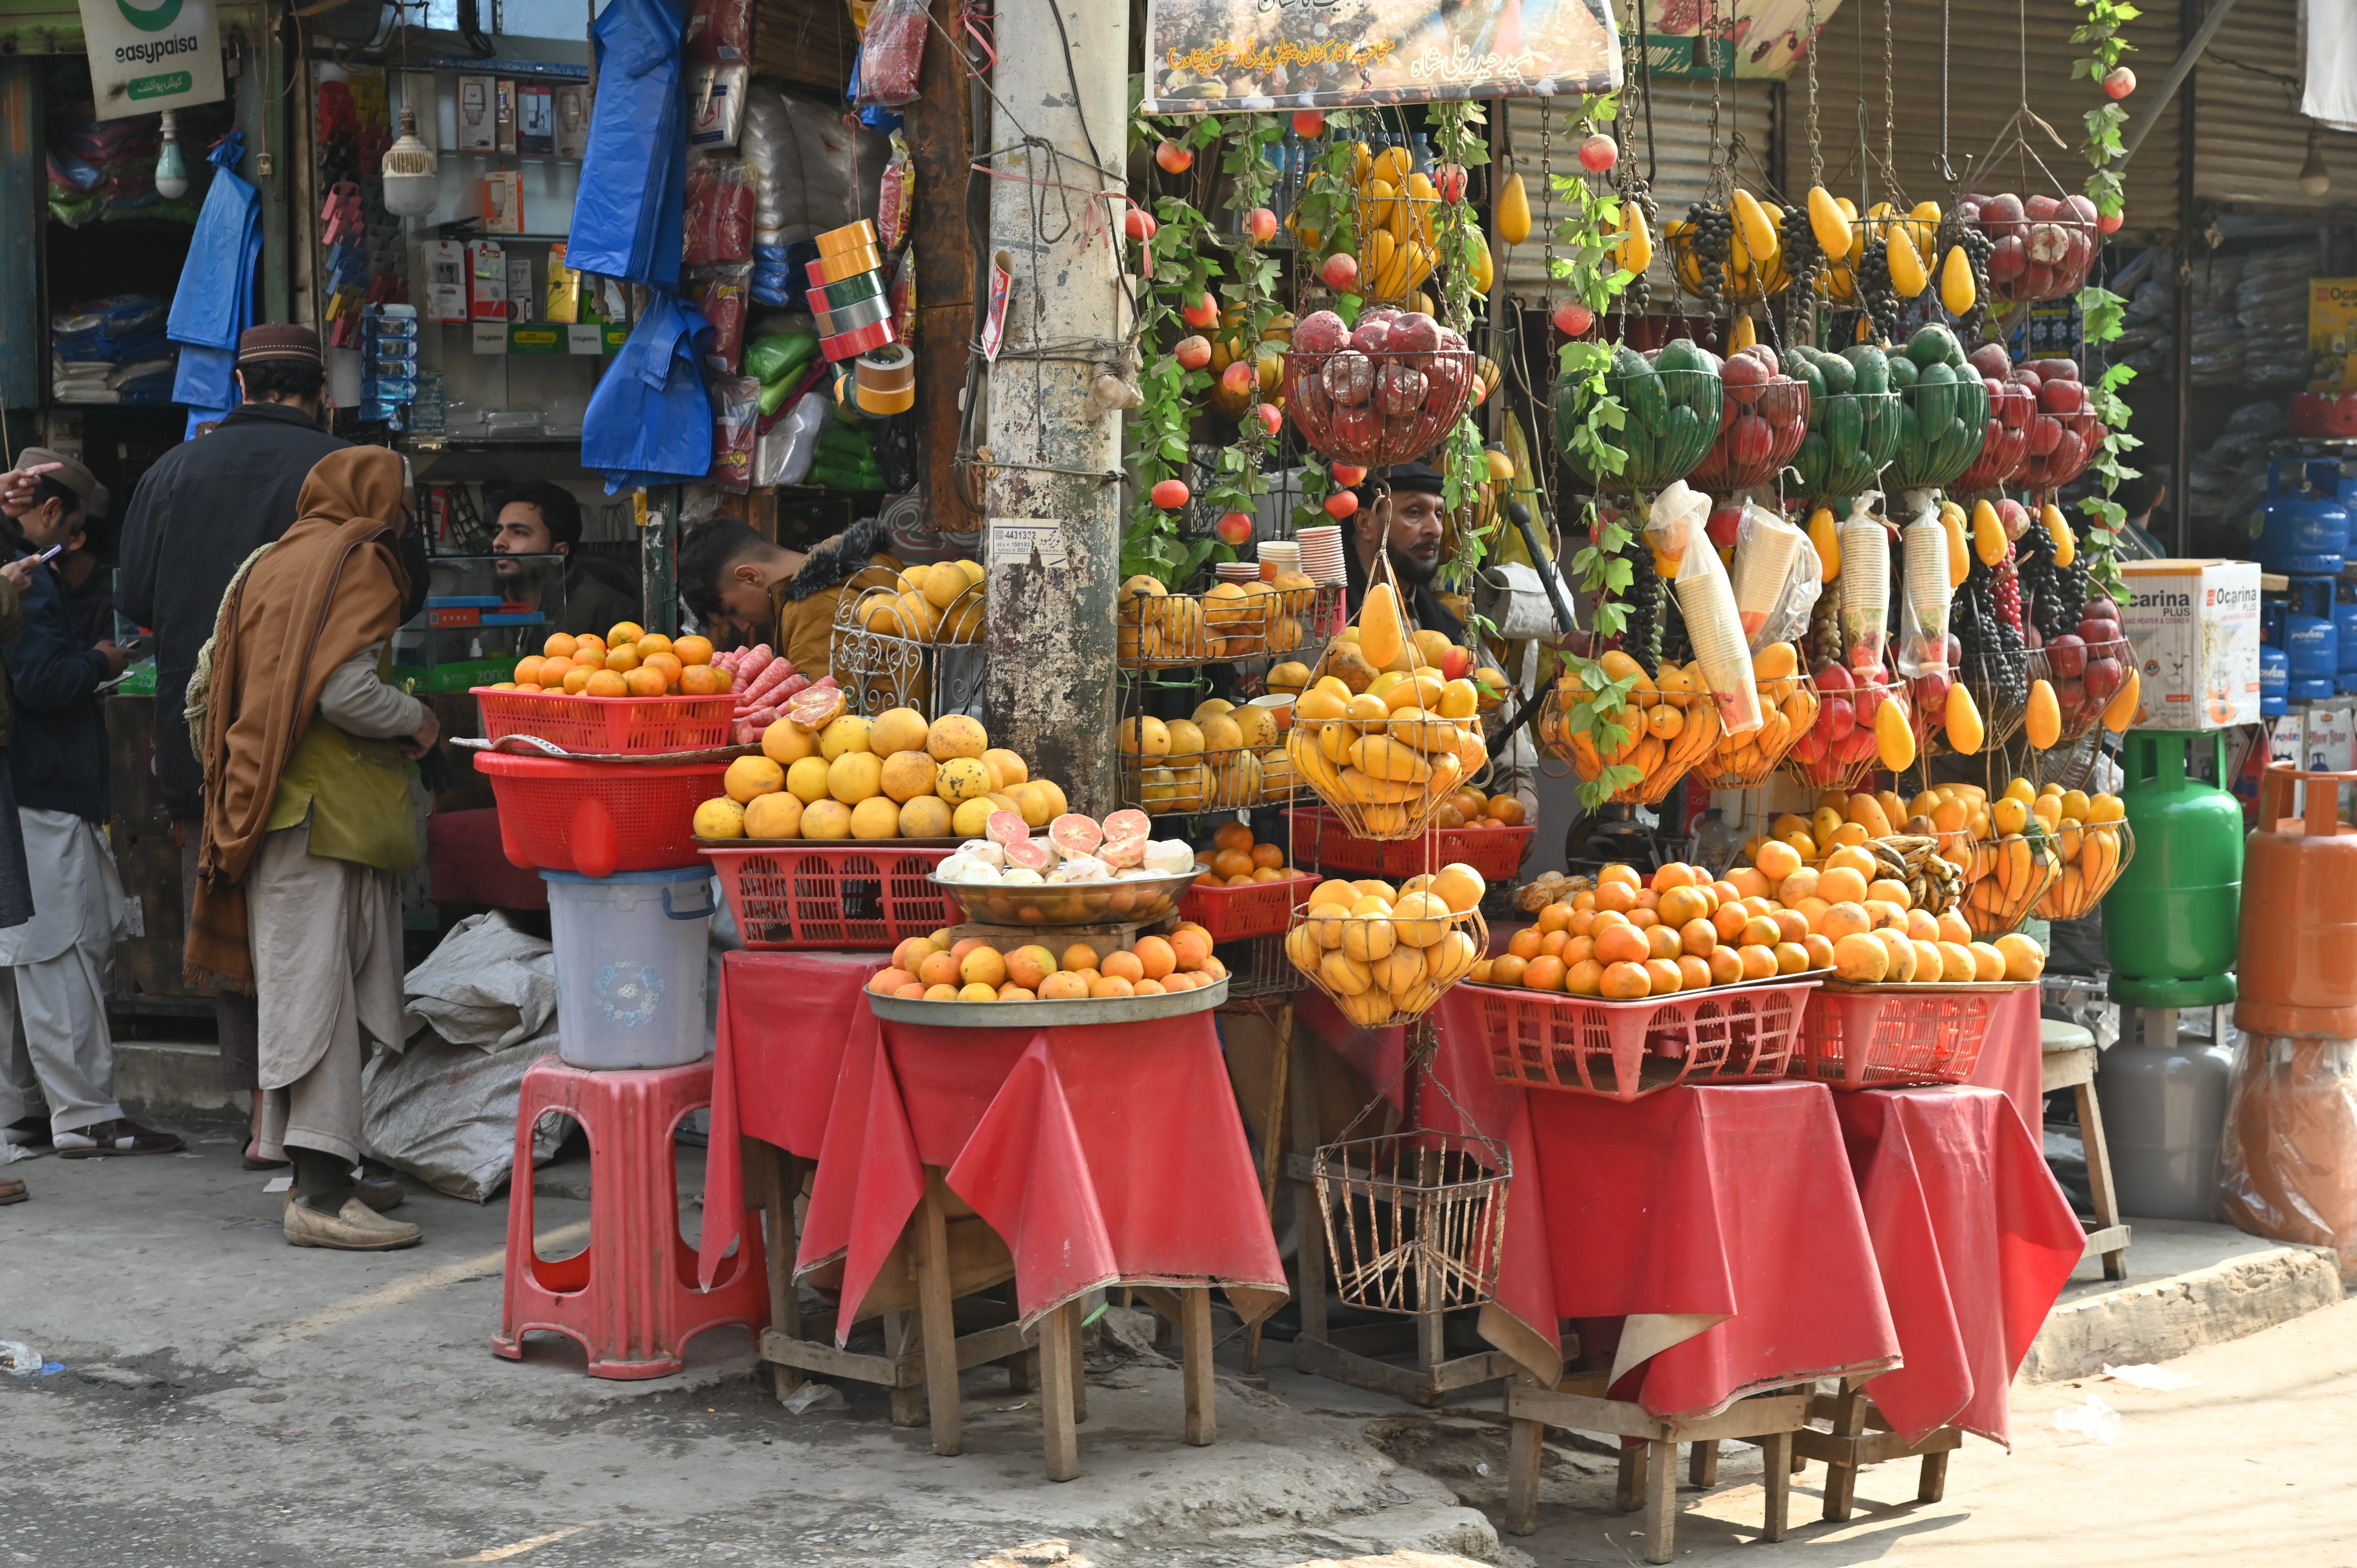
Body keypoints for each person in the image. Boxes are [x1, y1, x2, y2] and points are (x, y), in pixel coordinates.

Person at [113, 326, 365, 1169]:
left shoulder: (173, 470)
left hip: (206, 742)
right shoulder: (340, 468)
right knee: (315, 936)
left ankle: (262, 1115)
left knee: (228, 920)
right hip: (317, 741)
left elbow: (137, 595)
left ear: (243, 383)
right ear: (317, 389)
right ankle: (310, 1121)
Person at [187, 447, 434, 1250]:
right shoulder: (359, 558)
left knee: (318, 986)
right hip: (323, 813)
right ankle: (320, 1195)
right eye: (403, 499)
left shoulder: (278, 557)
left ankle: (335, 1168)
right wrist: (419, 718)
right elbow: (345, 692)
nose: (406, 517)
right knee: (321, 997)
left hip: (279, 802)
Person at [0, 455, 172, 1158]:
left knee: (23, 958)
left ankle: (22, 1109)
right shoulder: (23, 578)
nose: (68, 545)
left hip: (23, 787)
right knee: (59, 950)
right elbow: (41, 680)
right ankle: (88, 1114)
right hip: (41, 787)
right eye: (68, 529)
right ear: (45, 515)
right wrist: (103, 661)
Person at [677, 515, 901, 678]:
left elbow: (817, 714)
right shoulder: (871, 564)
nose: (743, 626)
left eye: (733, 611)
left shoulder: (813, 605)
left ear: (749, 576)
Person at [486, 480, 640, 637]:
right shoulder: (484, 600)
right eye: (499, 531)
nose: (498, 542)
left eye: (519, 532)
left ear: (559, 552)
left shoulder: (611, 613)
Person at [1341, 461, 1466, 643]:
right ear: (1365, 524)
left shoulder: (1446, 626)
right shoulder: (1325, 614)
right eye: (1414, 512)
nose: (1436, 530)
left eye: (1438, 515)